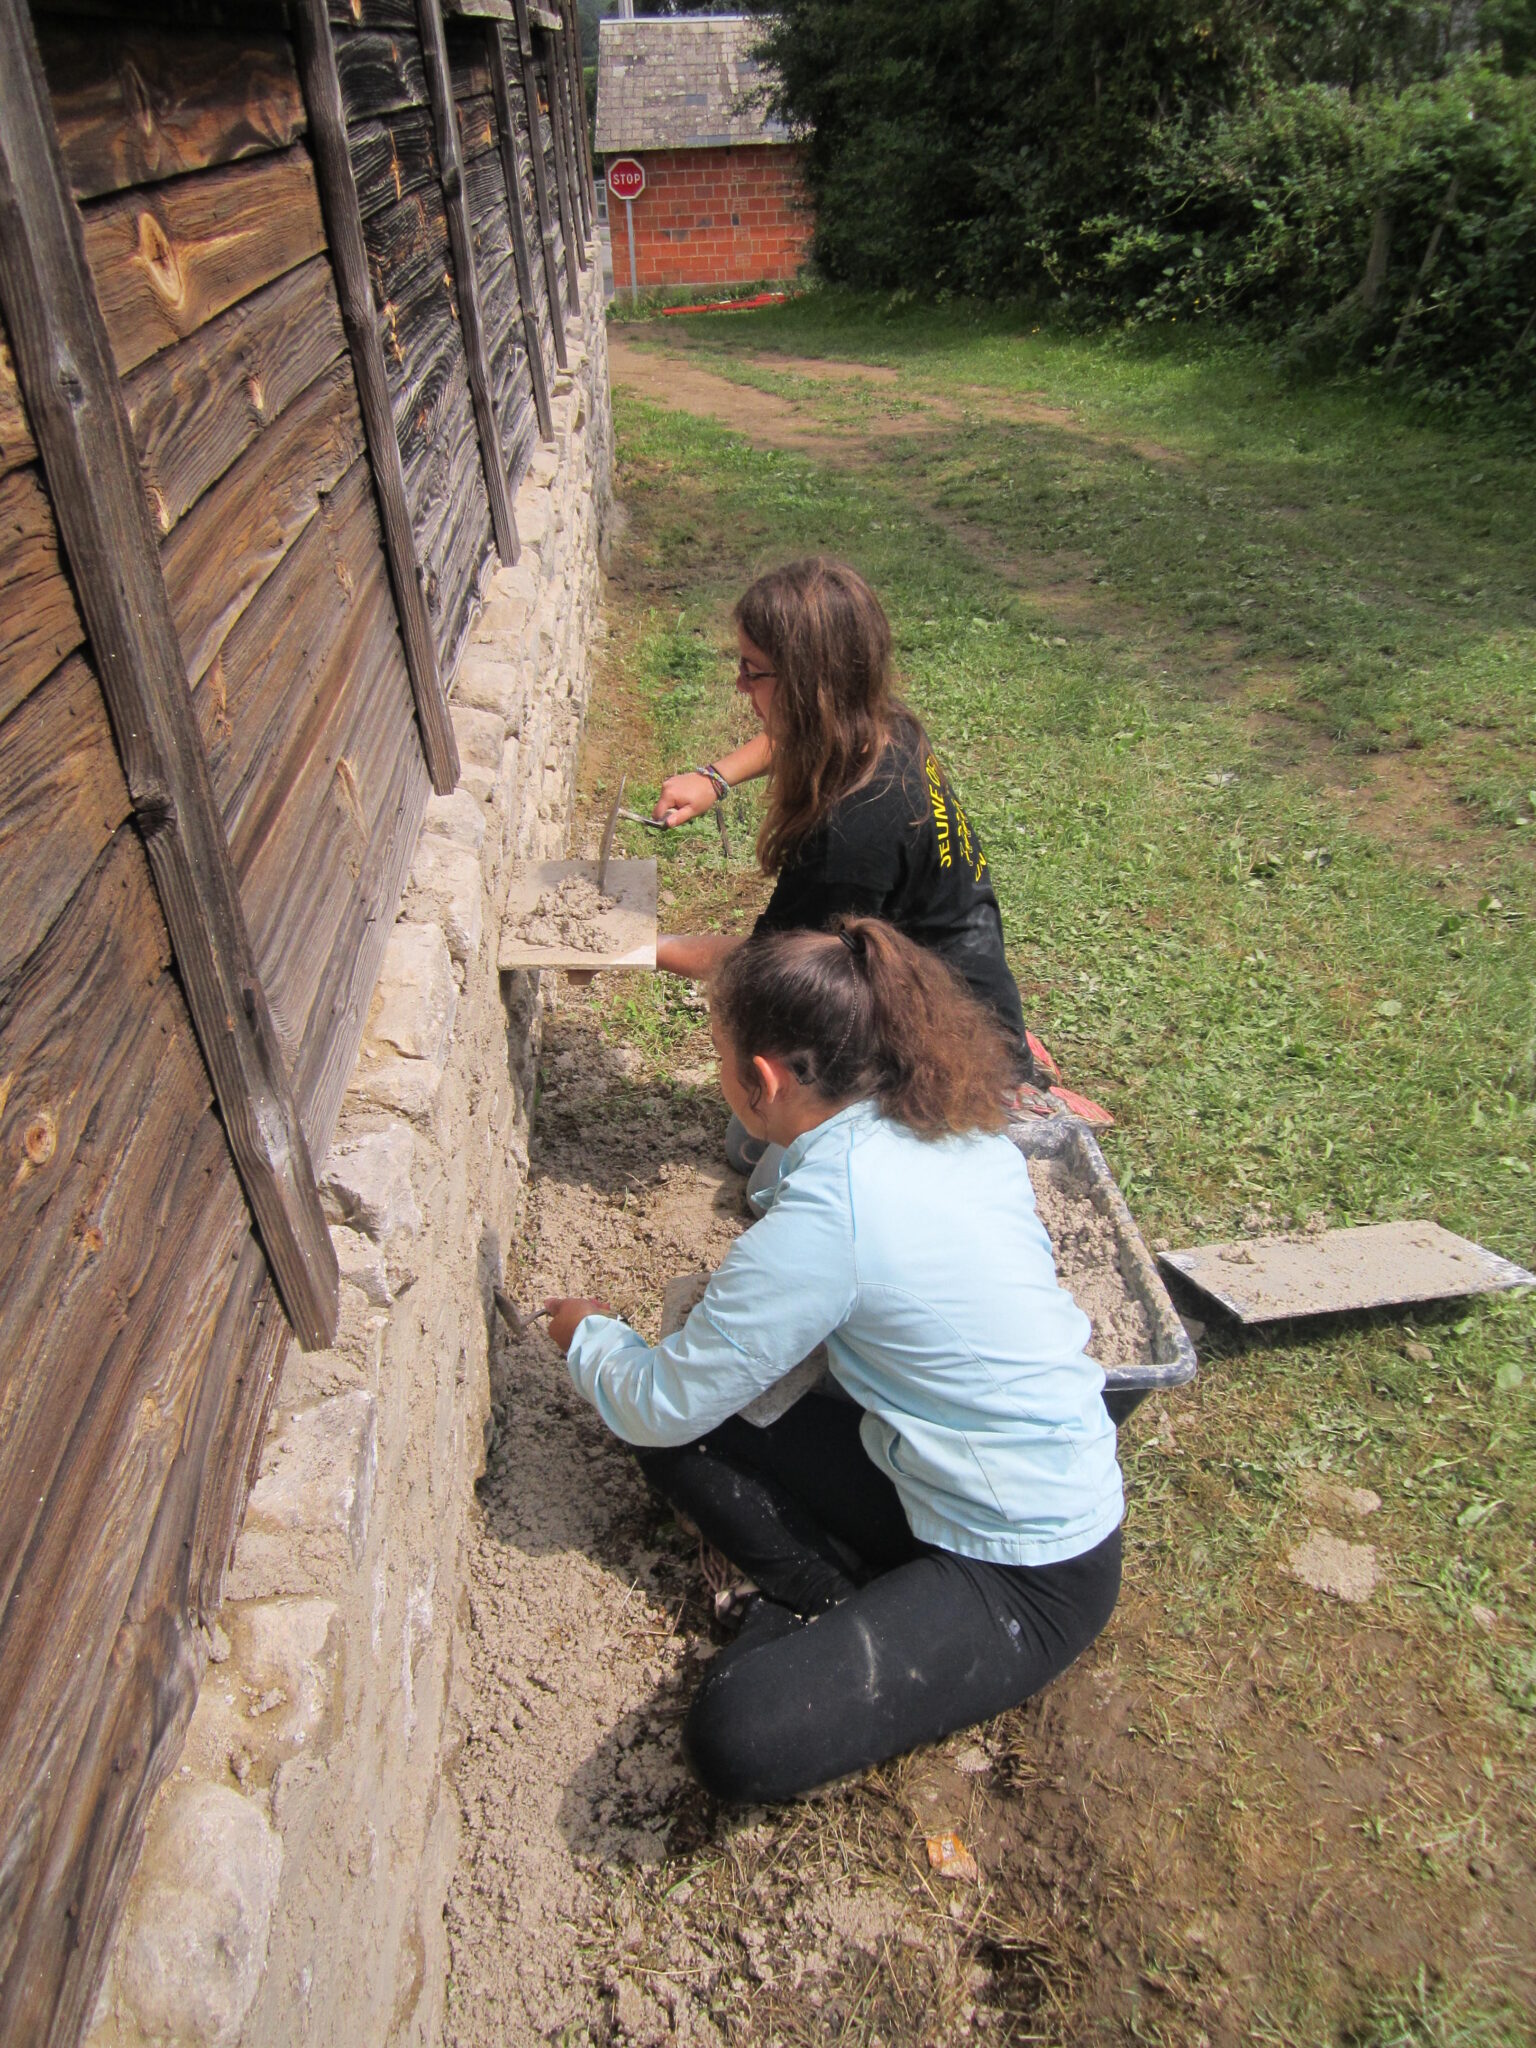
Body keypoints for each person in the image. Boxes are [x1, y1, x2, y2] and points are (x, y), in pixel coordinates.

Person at [544, 919, 1123, 1804]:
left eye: (720, 1057)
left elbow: (656, 1404)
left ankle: (847, 1593)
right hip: (971, 1474)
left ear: (764, 1078)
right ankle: (877, 1586)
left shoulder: (829, 1221)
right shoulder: (944, 1124)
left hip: (1028, 1571)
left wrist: (587, 1335)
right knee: (699, 1416)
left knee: (738, 1737)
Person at [648, 556, 1040, 1177]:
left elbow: (768, 970)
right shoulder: (887, 729)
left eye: (752, 671)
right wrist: (715, 778)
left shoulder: (851, 835)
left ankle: (973, 1105)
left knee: (755, 1148)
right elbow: (799, 733)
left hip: (938, 1048)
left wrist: (641, 947)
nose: (740, 686)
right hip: (963, 985)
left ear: (806, 685)